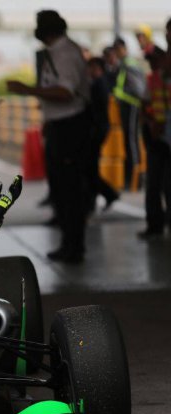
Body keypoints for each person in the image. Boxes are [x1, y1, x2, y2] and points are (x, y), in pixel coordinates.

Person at [8, 10, 91, 264]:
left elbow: (65, 92)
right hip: (59, 124)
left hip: (70, 127)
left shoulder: (65, 53)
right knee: (61, 187)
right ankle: (68, 243)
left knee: (69, 188)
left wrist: (28, 89)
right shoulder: (56, 52)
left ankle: (74, 246)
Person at [139, 21, 171, 239]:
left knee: (164, 183)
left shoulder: (160, 74)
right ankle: (156, 224)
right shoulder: (154, 78)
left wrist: (156, 123)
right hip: (159, 134)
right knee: (157, 183)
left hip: (161, 132)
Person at [112, 37, 147, 189]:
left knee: (132, 141)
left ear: (123, 49)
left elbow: (138, 90)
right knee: (128, 141)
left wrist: (120, 95)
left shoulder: (129, 64)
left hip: (131, 106)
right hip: (126, 106)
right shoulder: (123, 64)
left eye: (118, 50)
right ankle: (132, 178)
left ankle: (136, 179)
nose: (117, 53)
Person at [87, 57, 120, 212]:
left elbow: (94, 109)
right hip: (98, 129)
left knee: (90, 167)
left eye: (90, 67)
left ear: (97, 68)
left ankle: (104, 195)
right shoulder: (100, 83)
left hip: (97, 130)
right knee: (90, 167)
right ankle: (106, 195)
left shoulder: (98, 84)